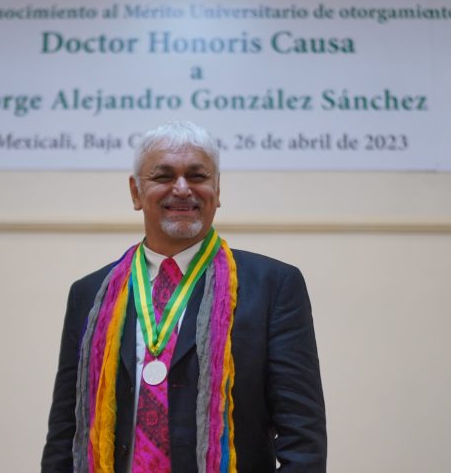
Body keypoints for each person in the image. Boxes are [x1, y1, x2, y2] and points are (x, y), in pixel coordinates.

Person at [41, 121, 326, 472]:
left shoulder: (273, 286)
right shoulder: (88, 295)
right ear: (135, 192)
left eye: (197, 176)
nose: (181, 189)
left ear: (217, 190)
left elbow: (304, 438)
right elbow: (64, 433)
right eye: (163, 177)